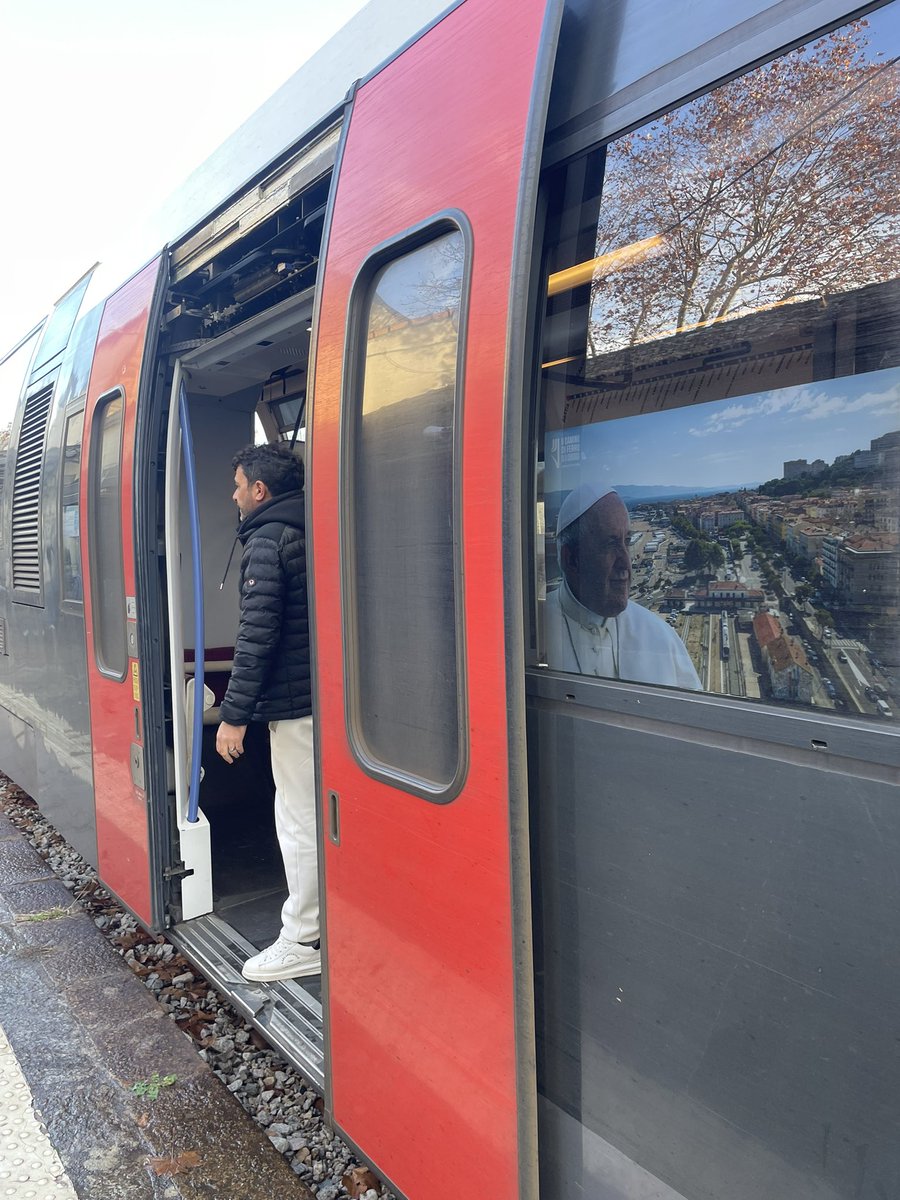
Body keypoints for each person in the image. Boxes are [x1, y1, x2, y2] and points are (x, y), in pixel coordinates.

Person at [216, 443, 320, 981]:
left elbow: (257, 636)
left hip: (294, 705)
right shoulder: (311, 524)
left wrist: (234, 716)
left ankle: (304, 937)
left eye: (237, 485)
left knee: (298, 821)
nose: (233, 495)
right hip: (323, 699)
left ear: (260, 490)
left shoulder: (266, 539)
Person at [544, 482, 701, 689]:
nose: (626, 564)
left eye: (626, 542)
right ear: (571, 559)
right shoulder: (535, 631)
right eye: (610, 544)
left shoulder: (660, 638)